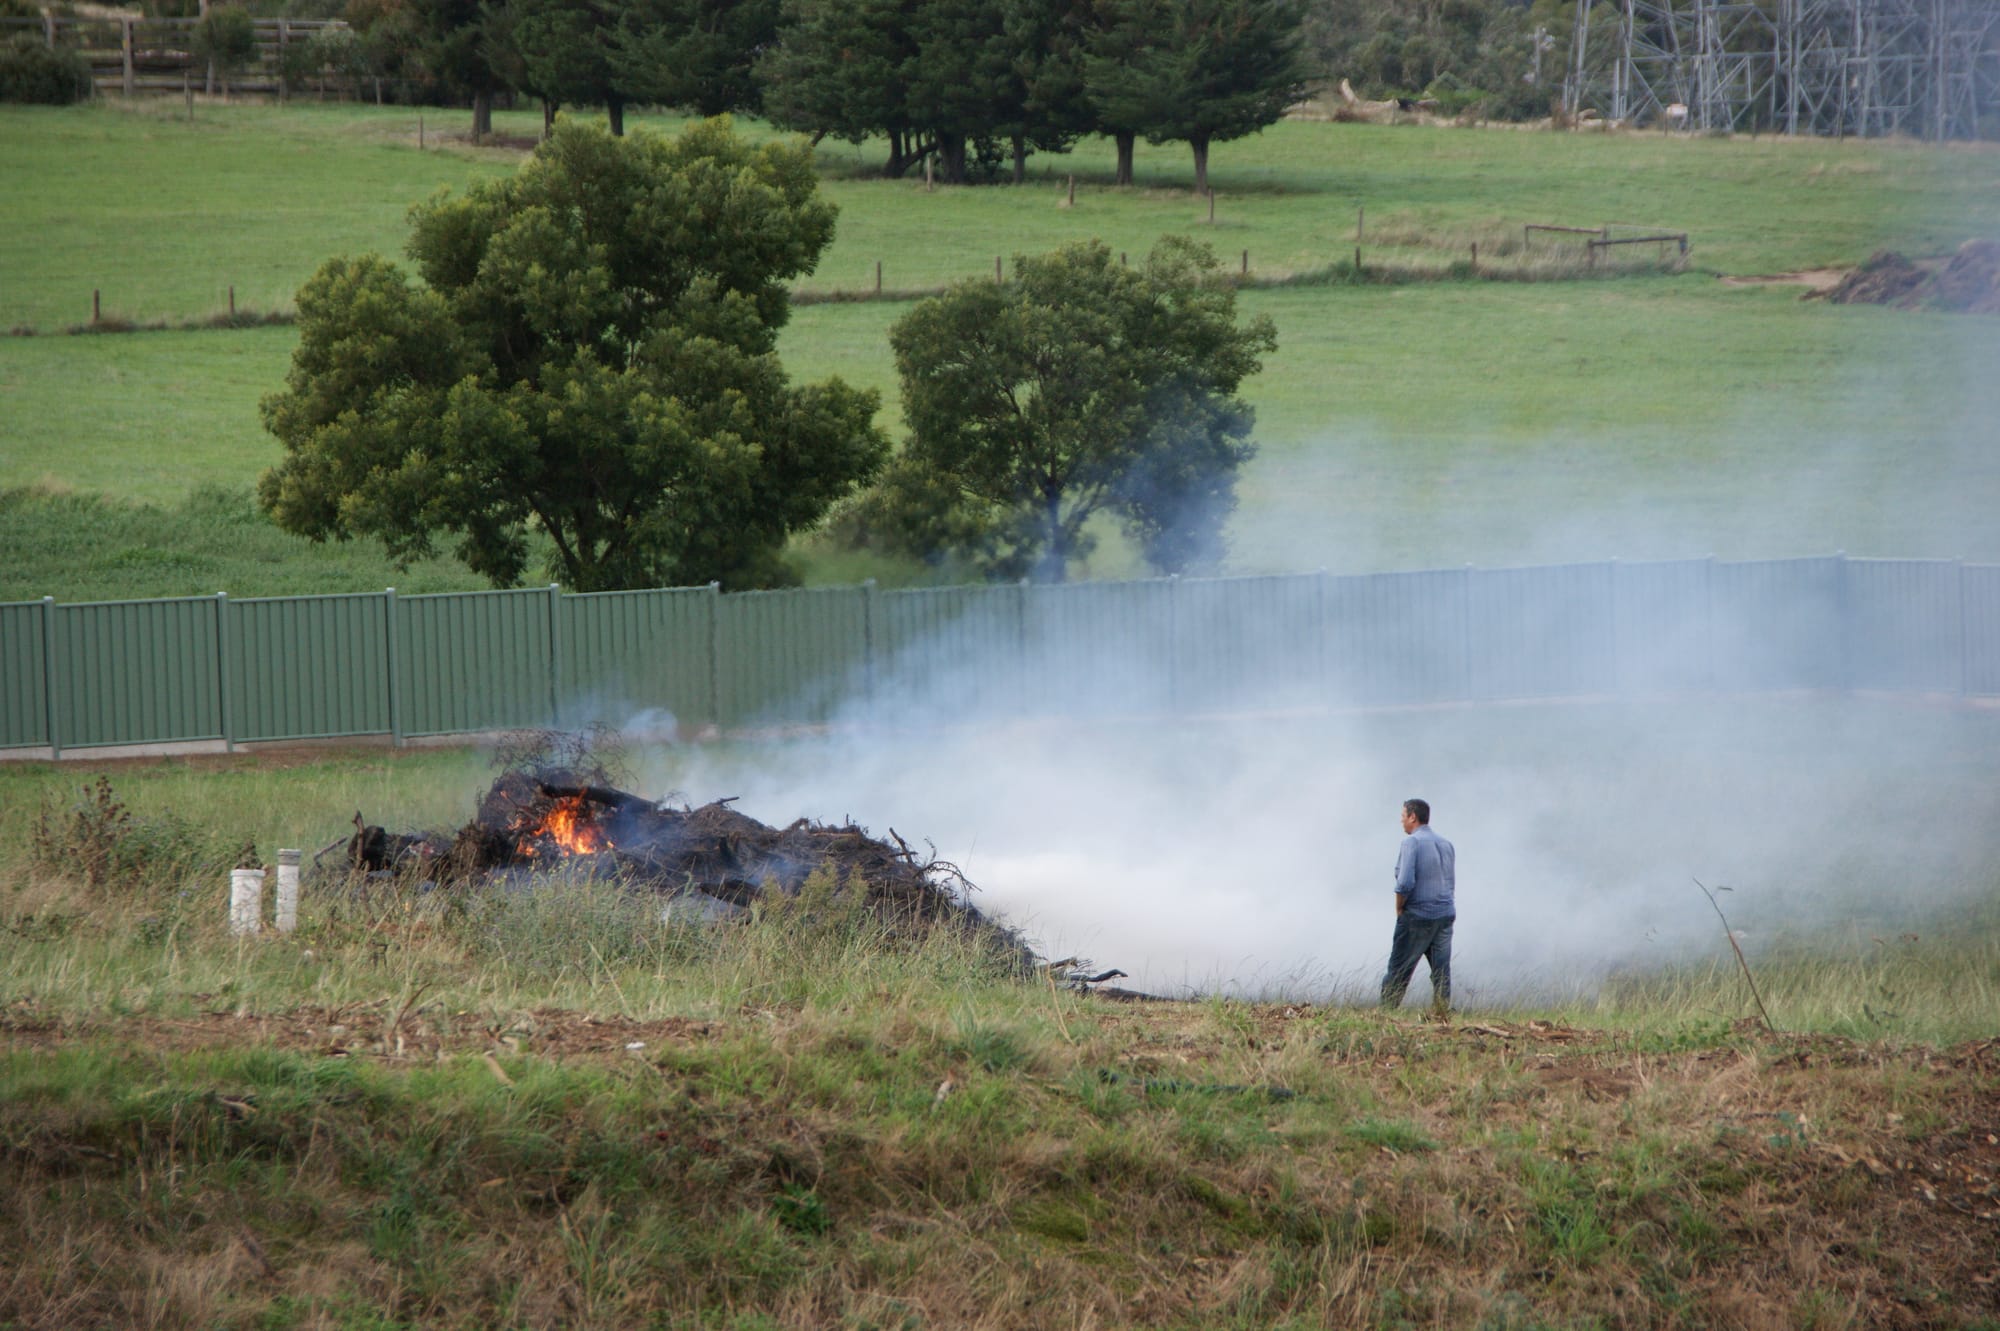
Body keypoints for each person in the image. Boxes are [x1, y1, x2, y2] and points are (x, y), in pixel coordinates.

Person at [1381, 798, 1455, 1011]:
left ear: (1413, 816)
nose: (1401, 820)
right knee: (1441, 972)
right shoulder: (1446, 844)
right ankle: (1441, 1013)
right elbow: (1450, 882)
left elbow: (1404, 882)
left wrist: (1399, 907)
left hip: (1418, 915)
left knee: (1398, 971)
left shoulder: (1411, 842)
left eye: (1403, 816)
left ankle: (1387, 1014)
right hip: (1445, 914)